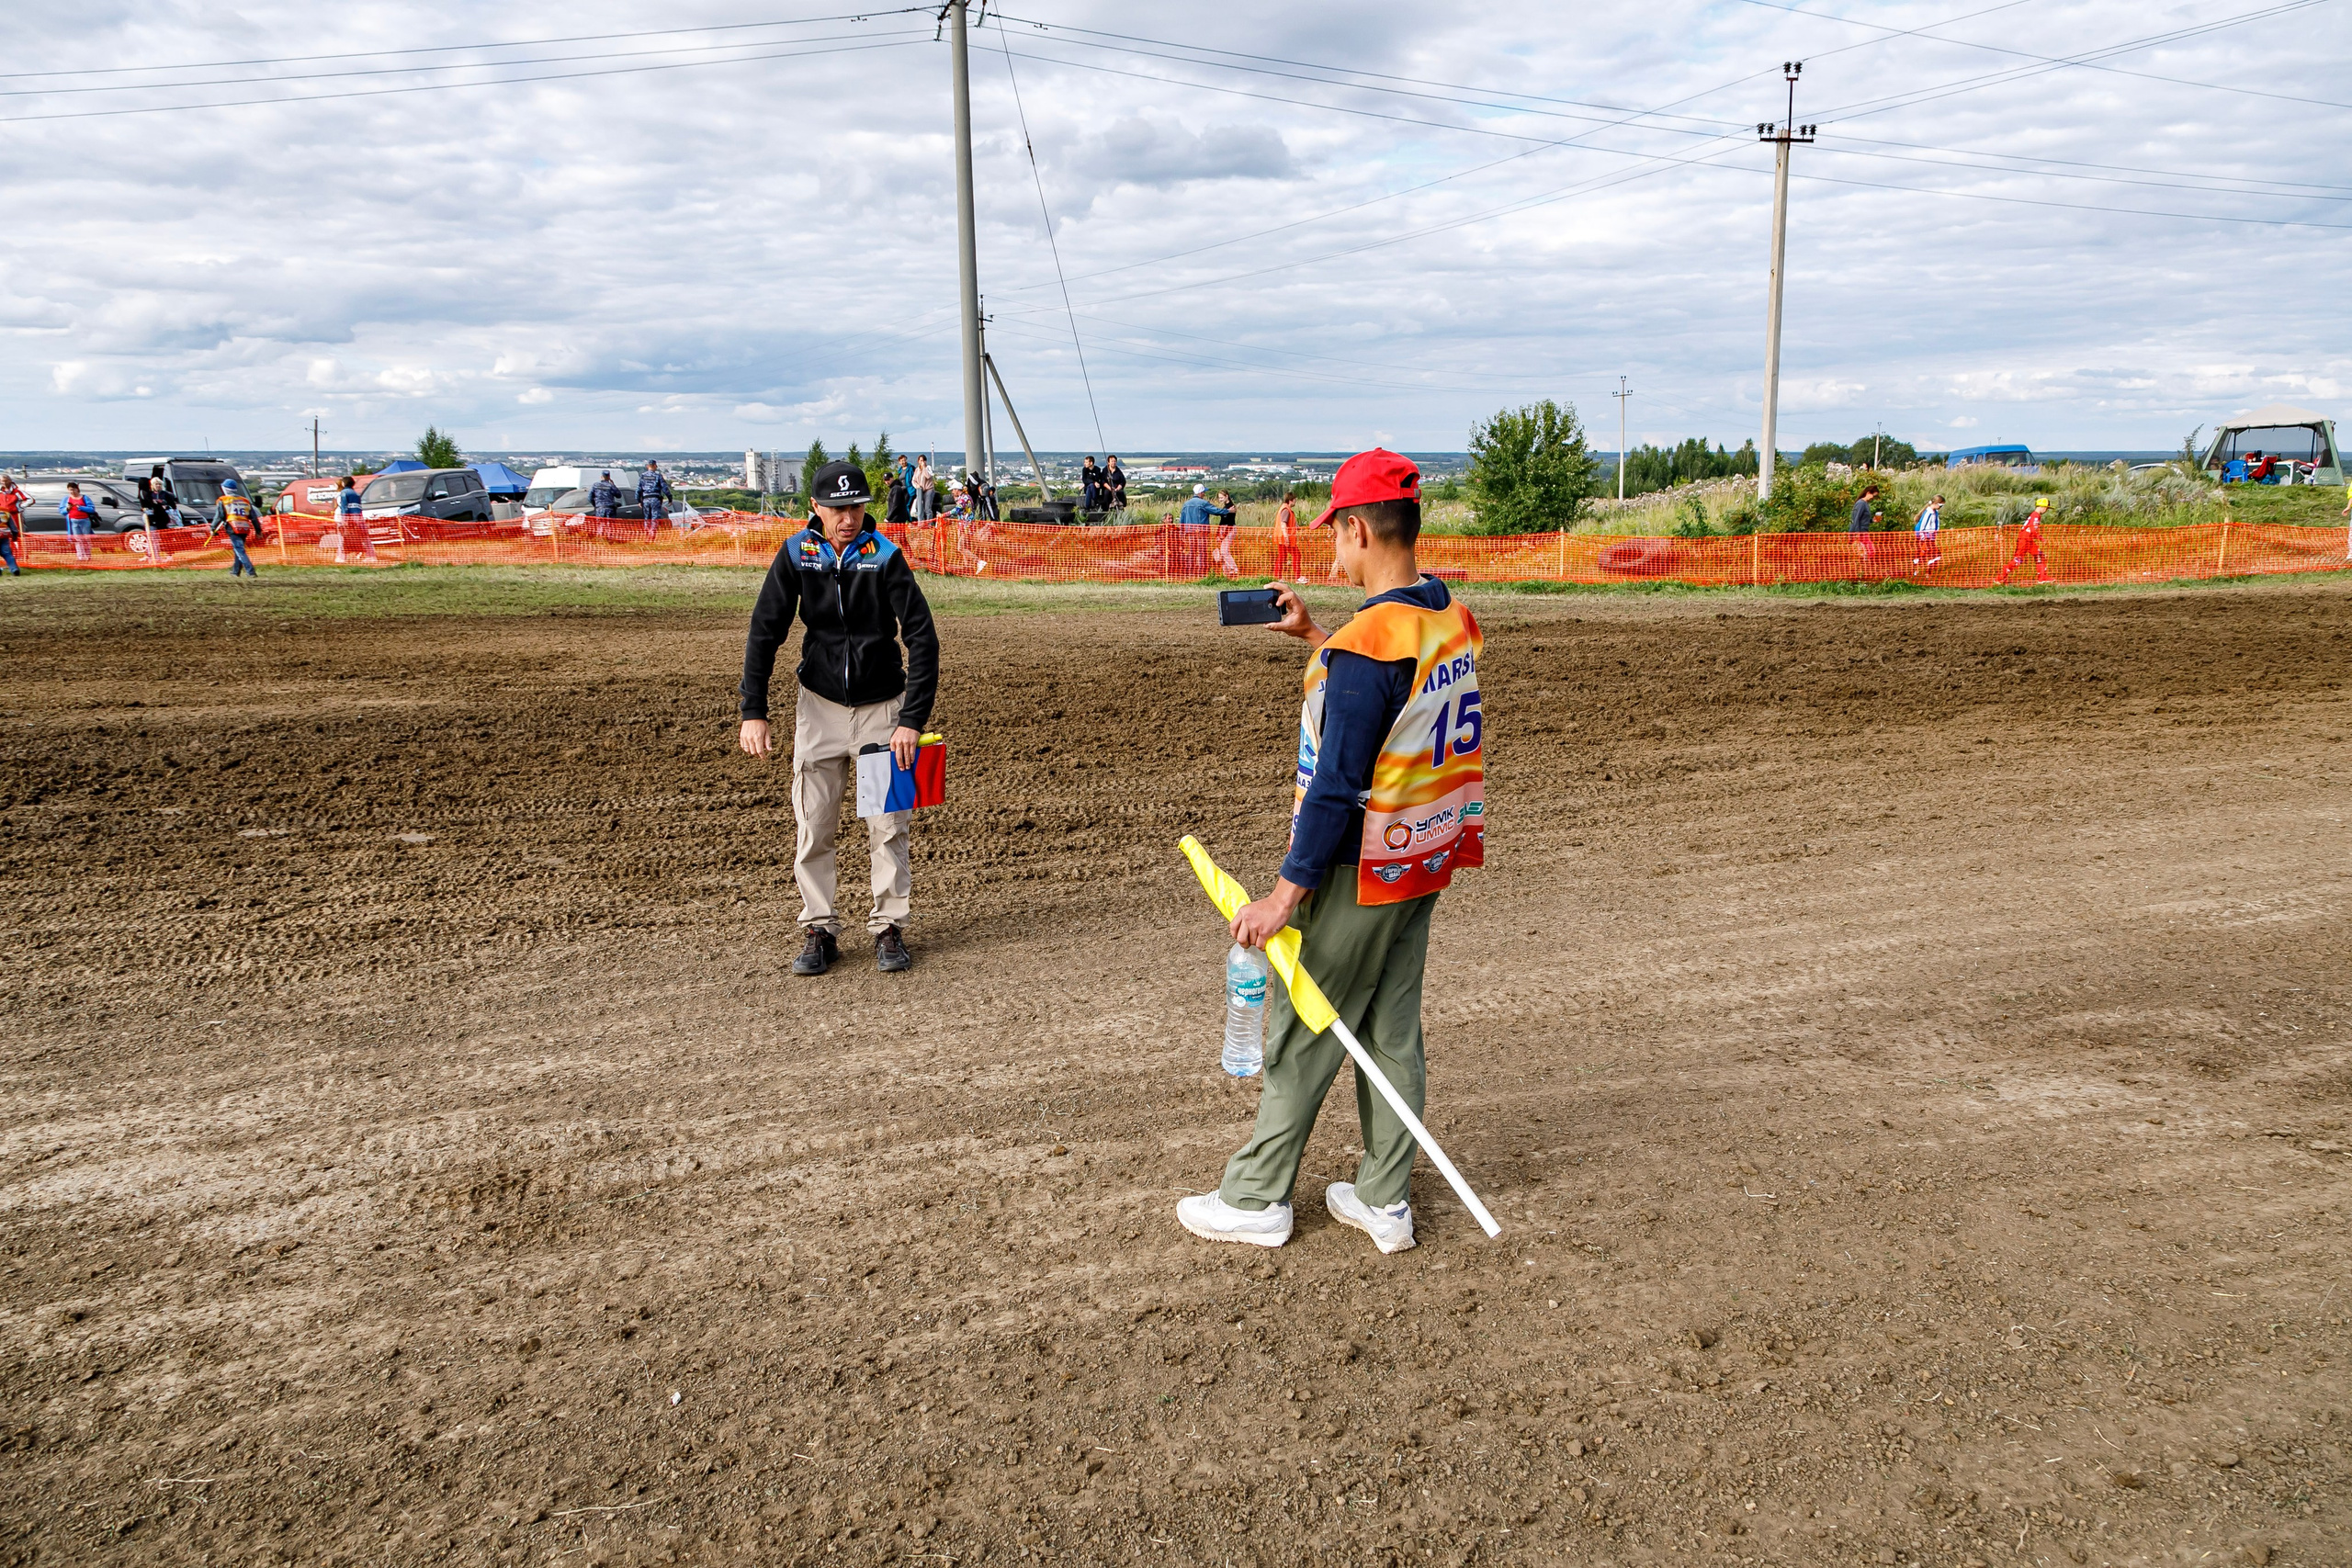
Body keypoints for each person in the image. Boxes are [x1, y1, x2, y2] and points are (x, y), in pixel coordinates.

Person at [1176, 448, 1484, 1255]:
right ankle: (1385, 1197)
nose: (1332, 552)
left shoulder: (1364, 648)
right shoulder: (1442, 613)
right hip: (1423, 853)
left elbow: (1336, 786)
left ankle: (1255, 1197)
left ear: (1357, 529)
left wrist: (1284, 895)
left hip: (1357, 866)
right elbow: (1394, 696)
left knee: (1304, 1029)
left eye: (1335, 537)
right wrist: (1317, 635)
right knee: (1391, 1029)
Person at [739, 459, 939, 976]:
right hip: (819, 710)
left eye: (854, 508)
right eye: (836, 508)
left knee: (887, 825)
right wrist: (753, 711)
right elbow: (765, 632)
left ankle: (888, 926)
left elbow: (922, 640)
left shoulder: (887, 556)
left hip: (884, 714)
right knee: (814, 825)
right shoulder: (795, 555)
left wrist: (911, 720)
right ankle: (819, 928)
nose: (846, 518)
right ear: (816, 508)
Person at [209, 477, 262, 579]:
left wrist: (213, 528)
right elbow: (254, 517)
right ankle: (235, 572)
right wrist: (258, 530)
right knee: (238, 549)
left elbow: (219, 516)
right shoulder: (245, 501)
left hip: (232, 527)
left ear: (224, 489)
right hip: (245, 527)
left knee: (239, 549)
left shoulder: (223, 500)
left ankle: (250, 571)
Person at [1998, 495, 2052, 585]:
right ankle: (2000, 578)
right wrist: (2040, 538)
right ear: (2043, 507)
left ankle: (2042, 577)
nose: (2046, 510)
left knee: (2040, 555)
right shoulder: (2036, 515)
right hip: (2025, 539)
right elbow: (2032, 528)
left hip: (2028, 539)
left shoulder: (2035, 515)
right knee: (2018, 560)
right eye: (2046, 508)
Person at [335, 475, 378, 562]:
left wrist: (345, 520)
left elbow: (344, 507)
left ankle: (341, 557)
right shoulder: (356, 494)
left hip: (348, 518)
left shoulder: (344, 493)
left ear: (343, 483)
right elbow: (358, 507)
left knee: (342, 538)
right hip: (358, 518)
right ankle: (371, 556)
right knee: (364, 537)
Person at [60, 482, 98, 561]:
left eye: (74, 489)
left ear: (77, 489)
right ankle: (80, 557)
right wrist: (67, 509)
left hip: (85, 521)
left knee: (86, 539)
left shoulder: (85, 498)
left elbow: (91, 509)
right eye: (70, 490)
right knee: (77, 539)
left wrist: (81, 507)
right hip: (73, 521)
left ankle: (88, 556)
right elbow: (62, 511)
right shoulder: (66, 499)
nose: (72, 492)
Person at [1849, 483, 1882, 570]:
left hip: (1864, 532)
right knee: (1865, 553)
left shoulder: (1866, 504)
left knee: (1869, 552)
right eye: (1873, 496)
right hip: (1860, 533)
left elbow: (1863, 520)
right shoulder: (1861, 503)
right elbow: (1856, 519)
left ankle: (1863, 571)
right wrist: (1856, 533)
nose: (1873, 498)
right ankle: (1862, 571)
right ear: (1868, 493)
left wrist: (1872, 520)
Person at [638, 460, 673, 538]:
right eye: (656, 466)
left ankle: (647, 534)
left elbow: (639, 489)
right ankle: (652, 535)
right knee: (655, 518)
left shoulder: (643, 476)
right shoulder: (658, 476)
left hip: (645, 499)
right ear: (654, 466)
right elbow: (665, 488)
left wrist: (638, 500)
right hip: (655, 499)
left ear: (648, 466)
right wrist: (670, 499)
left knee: (647, 518)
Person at [1211, 490, 1243, 577]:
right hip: (1223, 530)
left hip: (1229, 530)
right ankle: (1226, 571)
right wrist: (1218, 533)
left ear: (1227, 496)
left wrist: (1223, 534)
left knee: (1224, 551)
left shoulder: (1231, 507)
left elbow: (1229, 521)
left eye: (1221, 497)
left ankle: (1233, 569)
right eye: (1219, 498)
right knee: (1222, 551)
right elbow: (1222, 520)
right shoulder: (1226, 508)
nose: (1220, 499)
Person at [1272, 491, 1303, 579]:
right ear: (1291, 500)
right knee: (1296, 555)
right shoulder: (1286, 510)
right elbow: (1283, 523)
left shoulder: (1285, 509)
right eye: (1294, 500)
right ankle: (1297, 577)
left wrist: (1295, 527)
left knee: (1282, 557)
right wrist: (1286, 536)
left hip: (1282, 537)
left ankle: (1278, 577)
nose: (1295, 501)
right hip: (1285, 538)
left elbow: (1288, 523)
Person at [1911, 493, 1943, 573]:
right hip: (1924, 537)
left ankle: (1925, 570)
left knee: (1926, 553)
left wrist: (1936, 533)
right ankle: (1918, 570)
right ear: (1935, 504)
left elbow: (1936, 524)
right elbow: (1922, 525)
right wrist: (1922, 537)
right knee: (1931, 554)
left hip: (1930, 537)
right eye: (1940, 505)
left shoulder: (1935, 512)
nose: (1941, 507)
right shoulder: (1928, 513)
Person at [0, 476, 24, 576]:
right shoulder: (5, 512)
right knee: (7, 553)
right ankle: (14, 569)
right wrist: (15, 535)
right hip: (4, 534)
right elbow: (12, 525)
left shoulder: (16, 492)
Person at [911, 455, 935, 522]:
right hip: (920, 491)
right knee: (919, 507)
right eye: (921, 461)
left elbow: (928, 476)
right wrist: (917, 486)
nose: (922, 462)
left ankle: (929, 523)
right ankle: (921, 522)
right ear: (918, 461)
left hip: (928, 489)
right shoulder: (917, 470)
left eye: (923, 460)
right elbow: (913, 480)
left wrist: (924, 467)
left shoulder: (928, 468)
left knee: (927, 508)